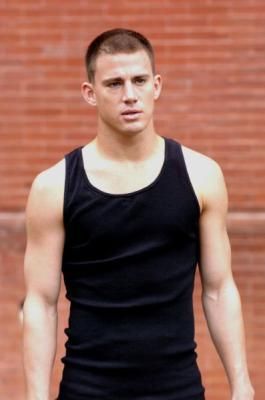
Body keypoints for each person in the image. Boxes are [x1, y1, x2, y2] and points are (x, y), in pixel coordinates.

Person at [22, 28, 254, 400]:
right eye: (114, 83)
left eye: (139, 81)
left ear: (156, 86)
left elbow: (219, 288)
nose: (129, 95)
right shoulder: (54, 187)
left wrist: (242, 384)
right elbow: (41, 302)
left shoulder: (200, 175)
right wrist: (35, 396)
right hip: (87, 389)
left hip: (178, 389)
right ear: (90, 93)